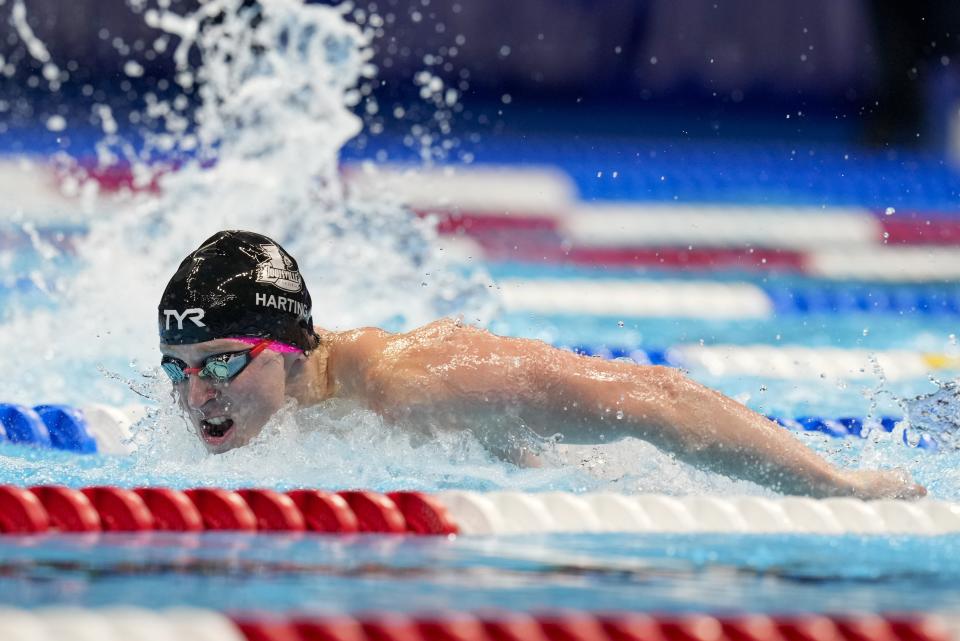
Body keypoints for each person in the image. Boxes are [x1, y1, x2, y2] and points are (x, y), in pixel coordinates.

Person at [158, 230, 926, 500]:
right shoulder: (264, 406)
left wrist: (838, 487)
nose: (197, 397)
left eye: (222, 362)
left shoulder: (411, 382)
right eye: (178, 368)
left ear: (291, 346)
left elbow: (653, 394)